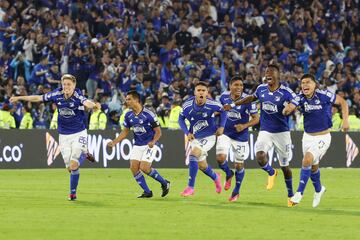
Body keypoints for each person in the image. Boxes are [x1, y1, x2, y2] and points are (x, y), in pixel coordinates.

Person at [10, 74, 97, 201]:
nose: (66, 87)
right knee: (70, 168)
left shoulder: (77, 95)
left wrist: (93, 105)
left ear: (74, 85)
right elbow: (38, 97)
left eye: (69, 84)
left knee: (73, 166)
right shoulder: (57, 94)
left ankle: (73, 194)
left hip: (79, 133)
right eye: (64, 84)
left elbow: (86, 102)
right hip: (63, 135)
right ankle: (85, 153)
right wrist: (20, 97)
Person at [224, 64, 299, 207]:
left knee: (285, 167)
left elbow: (295, 102)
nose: (267, 74)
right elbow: (251, 98)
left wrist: (290, 108)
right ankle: (271, 172)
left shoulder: (286, 91)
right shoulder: (261, 88)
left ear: (278, 75)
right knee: (259, 155)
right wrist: (234, 105)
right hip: (265, 130)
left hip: (282, 133)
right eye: (266, 72)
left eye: (270, 72)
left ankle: (290, 194)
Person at [290, 73, 349, 207]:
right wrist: (287, 108)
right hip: (307, 136)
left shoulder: (324, 95)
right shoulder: (299, 98)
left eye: (308, 82)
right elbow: (290, 107)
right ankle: (319, 190)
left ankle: (299, 193)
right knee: (312, 166)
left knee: (307, 160)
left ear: (314, 84)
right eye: (303, 83)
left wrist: (345, 120)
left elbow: (343, 102)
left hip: (323, 137)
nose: (305, 85)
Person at [107, 90, 170, 198]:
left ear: (136, 100)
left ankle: (165, 183)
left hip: (150, 144)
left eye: (129, 99)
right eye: (126, 99)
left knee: (145, 168)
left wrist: (153, 141)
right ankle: (147, 192)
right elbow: (125, 131)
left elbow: (159, 132)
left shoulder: (149, 114)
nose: (126, 101)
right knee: (133, 167)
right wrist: (114, 142)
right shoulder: (128, 115)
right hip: (138, 144)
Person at [178, 81, 227, 196]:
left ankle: (190, 187)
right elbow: (180, 119)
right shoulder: (187, 105)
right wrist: (187, 132)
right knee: (202, 165)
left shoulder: (213, 104)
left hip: (209, 136)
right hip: (195, 137)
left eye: (203, 91)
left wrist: (222, 127)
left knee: (193, 155)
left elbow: (224, 111)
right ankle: (216, 177)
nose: (201, 93)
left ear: (207, 93)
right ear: (195, 92)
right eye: (198, 90)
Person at [216, 76, 259, 202]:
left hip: (241, 136)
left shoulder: (248, 100)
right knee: (220, 158)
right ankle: (229, 173)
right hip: (226, 133)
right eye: (236, 85)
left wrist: (244, 126)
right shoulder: (223, 97)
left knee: (239, 165)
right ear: (230, 86)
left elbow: (256, 118)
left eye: (241, 85)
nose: (239, 87)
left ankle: (236, 191)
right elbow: (218, 111)